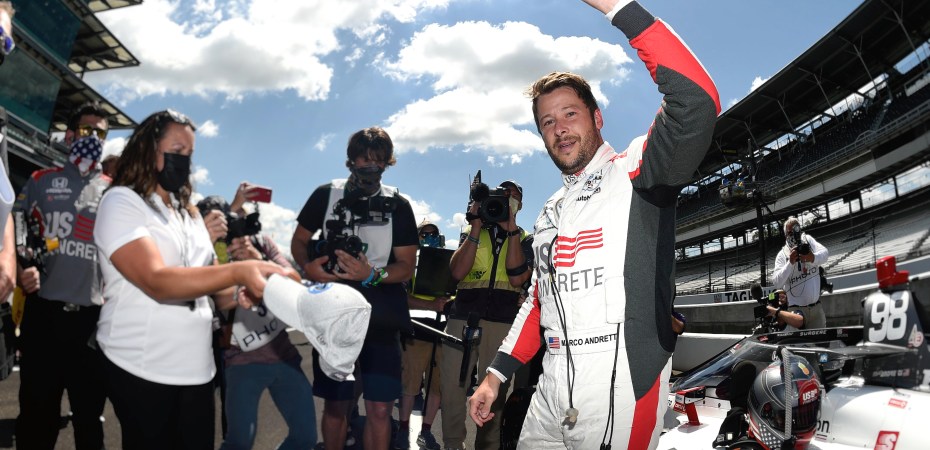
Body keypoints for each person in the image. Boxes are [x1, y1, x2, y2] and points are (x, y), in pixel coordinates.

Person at [467, 1, 720, 449]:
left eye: (570, 114)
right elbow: (539, 300)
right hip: (550, 385)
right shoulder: (550, 211)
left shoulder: (637, 170)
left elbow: (697, 101)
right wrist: (496, 374)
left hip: (620, 383)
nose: (560, 129)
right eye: (548, 122)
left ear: (597, 118)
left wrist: (616, 7)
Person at [93, 109, 289, 449]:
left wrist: (247, 289)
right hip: (141, 365)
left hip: (197, 371)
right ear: (148, 149)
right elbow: (157, 281)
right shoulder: (122, 201)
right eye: (177, 150)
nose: (184, 160)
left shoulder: (190, 215)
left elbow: (219, 293)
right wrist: (238, 271)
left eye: (190, 153)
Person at [291, 126, 418, 450]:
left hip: (381, 319)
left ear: (387, 162)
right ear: (351, 160)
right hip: (334, 317)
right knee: (337, 406)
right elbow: (299, 241)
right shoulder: (326, 195)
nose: (371, 165)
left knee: (380, 409)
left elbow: (406, 265)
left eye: (378, 159)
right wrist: (308, 267)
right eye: (364, 158)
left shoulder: (398, 205)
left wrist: (371, 274)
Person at [13, 101, 112, 450]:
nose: (93, 138)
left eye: (101, 133)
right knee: (37, 417)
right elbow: (15, 223)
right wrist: (22, 268)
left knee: (89, 420)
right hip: (45, 317)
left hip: (91, 322)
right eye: (87, 130)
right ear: (70, 135)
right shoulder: (41, 180)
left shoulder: (116, 191)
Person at [198, 192, 318, 450]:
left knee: (305, 437)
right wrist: (233, 266)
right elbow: (221, 300)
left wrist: (257, 260)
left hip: (283, 354)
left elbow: (295, 283)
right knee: (239, 443)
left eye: (239, 221)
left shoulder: (261, 243)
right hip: (241, 361)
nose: (238, 232)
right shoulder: (210, 251)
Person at [441, 178, 532, 450]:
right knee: (452, 386)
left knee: (495, 390)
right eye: (502, 194)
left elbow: (517, 278)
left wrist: (511, 231)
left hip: (502, 322)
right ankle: (452, 444)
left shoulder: (526, 238)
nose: (506, 199)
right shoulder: (474, 231)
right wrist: (476, 226)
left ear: (519, 205)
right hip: (463, 317)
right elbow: (457, 272)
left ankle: (487, 446)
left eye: (512, 196)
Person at [394, 221, 450, 450]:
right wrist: (431, 305)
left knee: (437, 388)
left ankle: (425, 431)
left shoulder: (450, 262)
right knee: (410, 385)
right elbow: (401, 297)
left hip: (443, 335)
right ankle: (403, 429)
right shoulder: (409, 264)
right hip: (416, 332)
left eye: (433, 233)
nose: (429, 237)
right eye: (424, 234)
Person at [772, 217, 829, 329]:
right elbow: (776, 282)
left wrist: (812, 257)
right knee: (798, 340)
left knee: (821, 339)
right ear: (785, 235)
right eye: (790, 233)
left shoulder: (808, 240)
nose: (794, 235)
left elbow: (825, 254)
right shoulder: (782, 255)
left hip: (816, 309)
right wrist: (790, 263)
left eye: (796, 230)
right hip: (796, 312)